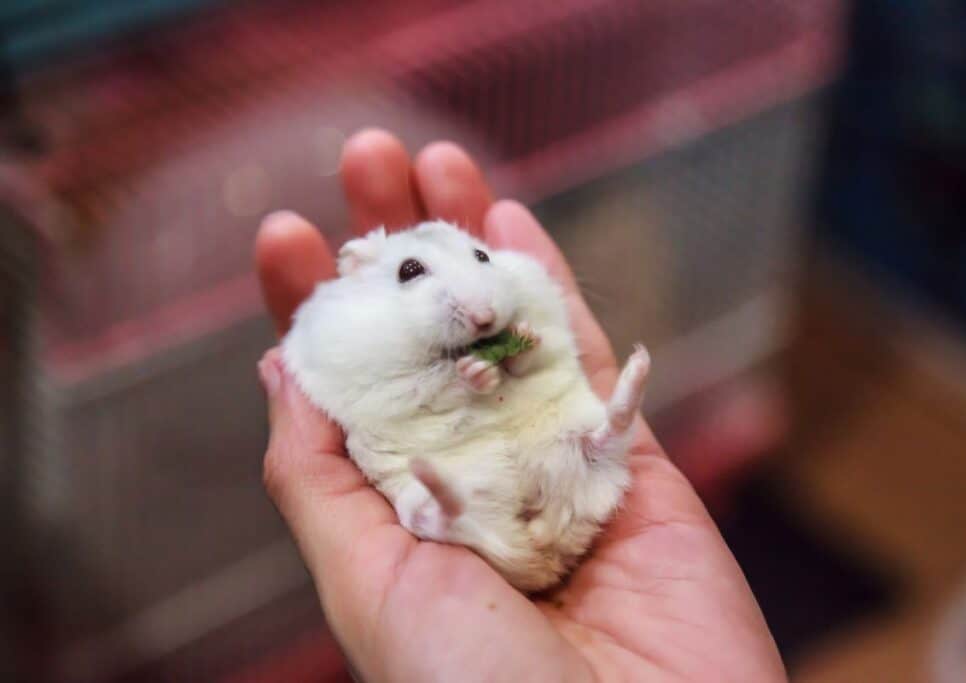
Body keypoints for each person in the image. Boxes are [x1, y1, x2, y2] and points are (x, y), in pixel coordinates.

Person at [253, 129, 786, 681]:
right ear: (358, 273)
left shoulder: (512, 315)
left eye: (481, 258)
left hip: (550, 467)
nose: (481, 309)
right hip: (455, 478)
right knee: (431, 494)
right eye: (413, 273)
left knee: (580, 434)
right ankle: (446, 510)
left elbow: (543, 367)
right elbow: (386, 402)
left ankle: (605, 432)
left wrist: (516, 361)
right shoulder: (344, 342)